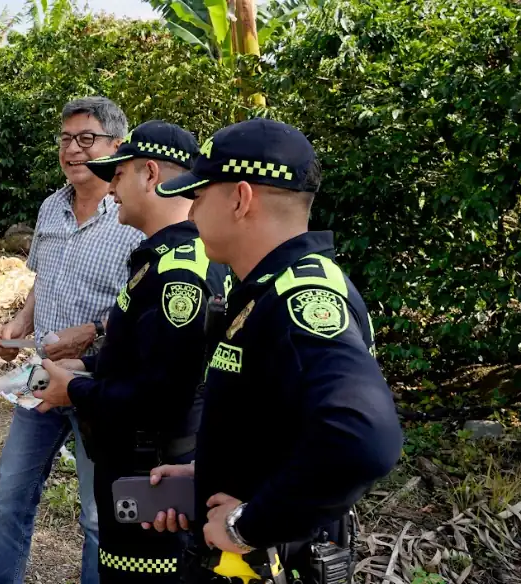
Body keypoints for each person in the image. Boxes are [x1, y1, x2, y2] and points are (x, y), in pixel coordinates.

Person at [144, 118, 403, 583]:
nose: (190, 213)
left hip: (269, 562)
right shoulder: (263, 292)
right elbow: (282, 420)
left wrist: (249, 525)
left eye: (199, 196)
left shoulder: (300, 295)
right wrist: (211, 473)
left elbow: (364, 439)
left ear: (241, 199)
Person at [33, 120, 229, 584]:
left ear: (151, 174)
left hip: (154, 481)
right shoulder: (157, 258)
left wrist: (76, 390)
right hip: (134, 469)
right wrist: (86, 364)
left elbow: (164, 395)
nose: (111, 186)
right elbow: (146, 357)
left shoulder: (180, 270)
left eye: (117, 174)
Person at [0, 96, 143, 584]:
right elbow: (42, 279)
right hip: (39, 376)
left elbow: (148, 309)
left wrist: (94, 330)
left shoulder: (133, 215)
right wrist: (19, 322)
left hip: (98, 382)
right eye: (66, 139)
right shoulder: (51, 207)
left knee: (99, 515)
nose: (73, 150)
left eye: (87, 139)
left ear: (117, 146)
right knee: (10, 495)